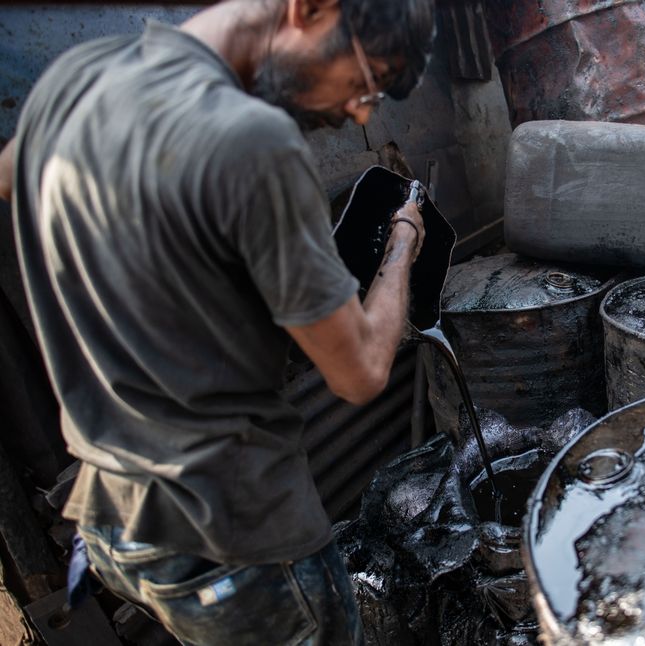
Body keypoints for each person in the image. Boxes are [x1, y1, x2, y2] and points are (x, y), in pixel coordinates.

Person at [0, 0, 436, 643]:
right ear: (310, 10)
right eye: (367, 78)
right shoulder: (253, 139)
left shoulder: (77, 80)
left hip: (119, 521)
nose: (363, 111)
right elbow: (364, 371)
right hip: (234, 537)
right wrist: (402, 241)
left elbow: (13, 176)